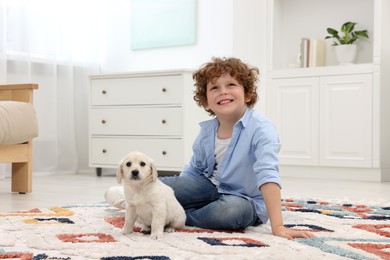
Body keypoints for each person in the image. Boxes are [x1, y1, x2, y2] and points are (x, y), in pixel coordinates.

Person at [105, 57, 314, 240]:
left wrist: (277, 225)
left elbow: (268, 175)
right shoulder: (207, 131)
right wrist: (180, 188)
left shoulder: (262, 129)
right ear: (206, 101)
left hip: (243, 199)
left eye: (231, 85)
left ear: (248, 94)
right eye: (214, 87)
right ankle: (134, 201)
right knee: (163, 188)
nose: (223, 91)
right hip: (206, 186)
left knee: (230, 212)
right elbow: (193, 170)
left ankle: (173, 214)